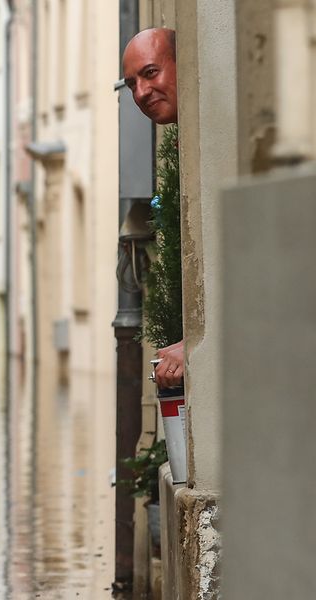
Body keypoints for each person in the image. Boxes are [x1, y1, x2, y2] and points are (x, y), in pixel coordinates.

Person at [122, 27, 185, 387]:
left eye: (150, 73)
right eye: (131, 84)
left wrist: (194, 345)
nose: (141, 93)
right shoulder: (180, 143)